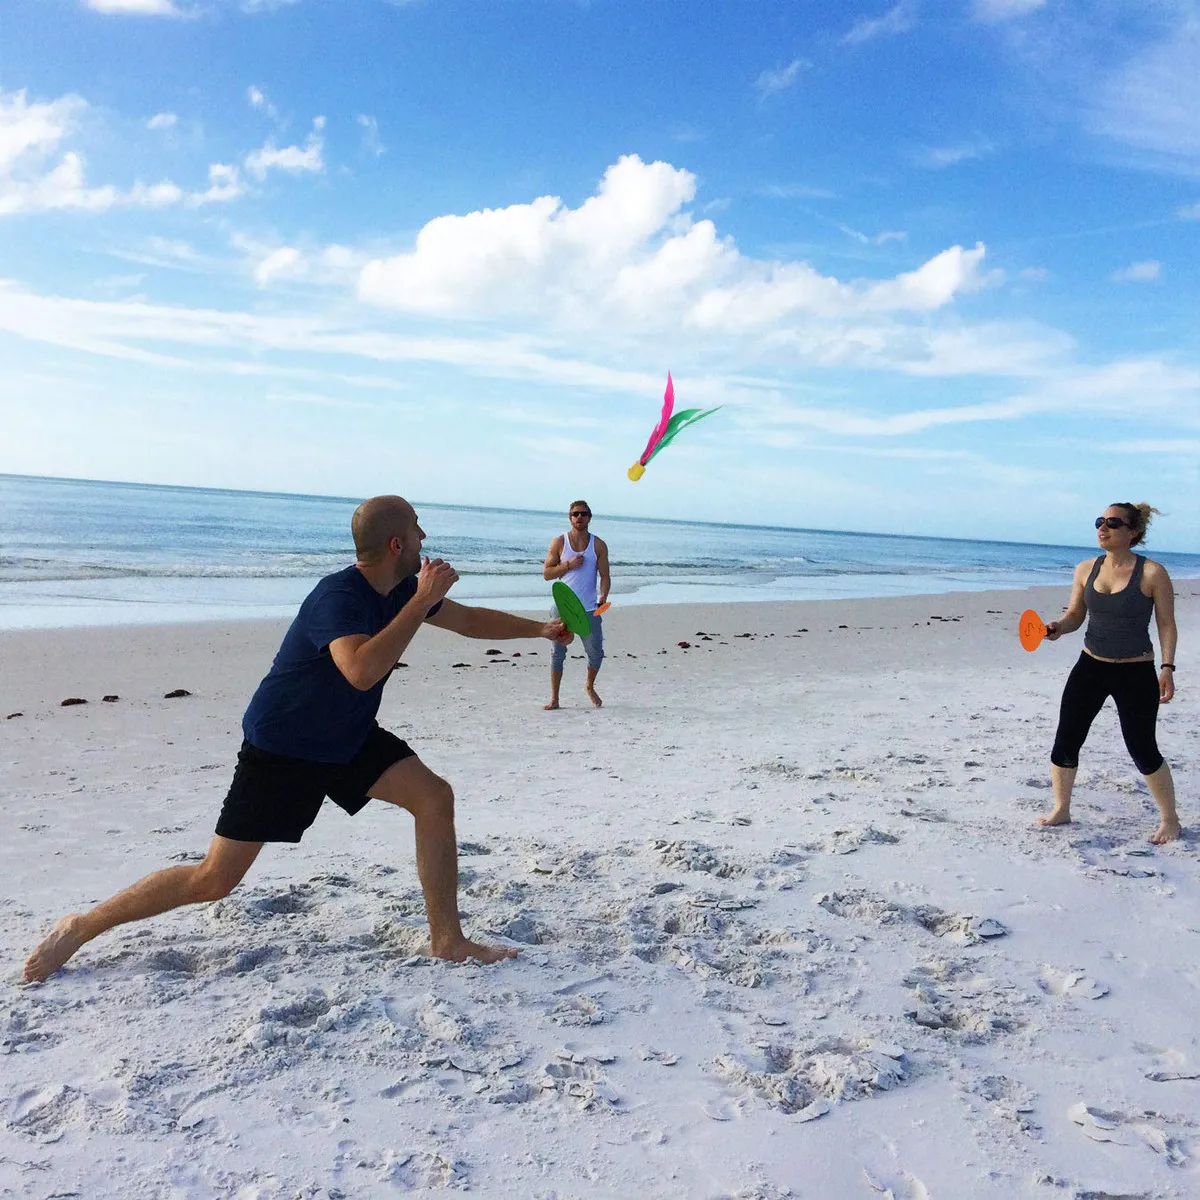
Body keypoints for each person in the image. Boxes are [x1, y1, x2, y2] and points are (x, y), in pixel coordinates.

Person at [23, 495, 572, 983]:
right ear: (397, 542)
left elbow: (469, 621)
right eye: (419, 529)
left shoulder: (403, 589)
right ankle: (83, 925)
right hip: (284, 747)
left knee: (434, 797)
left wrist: (540, 628)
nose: (426, 539)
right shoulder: (339, 596)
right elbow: (359, 669)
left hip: (347, 737)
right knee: (214, 879)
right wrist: (418, 599)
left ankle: (447, 940)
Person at [1036, 502, 1181, 844]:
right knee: (1067, 737)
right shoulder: (1086, 568)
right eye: (1100, 521)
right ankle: (1062, 808)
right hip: (1091, 666)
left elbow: (1166, 624)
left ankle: (1170, 820)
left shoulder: (1152, 574)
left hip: (1135, 671)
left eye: (1113, 523)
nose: (1103, 527)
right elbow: (1075, 615)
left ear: (1133, 533)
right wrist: (1057, 626)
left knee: (1142, 747)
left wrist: (1167, 667)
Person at [542, 500, 610, 710]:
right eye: (575, 514)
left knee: (596, 653)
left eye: (583, 514)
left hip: (589, 608)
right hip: (562, 607)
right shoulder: (559, 542)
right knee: (557, 654)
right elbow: (547, 574)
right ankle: (555, 699)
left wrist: (603, 595)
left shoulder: (598, 545)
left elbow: (605, 575)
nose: (579, 517)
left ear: (590, 517)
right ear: (569, 517)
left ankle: (589, 686)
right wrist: (568, 565)